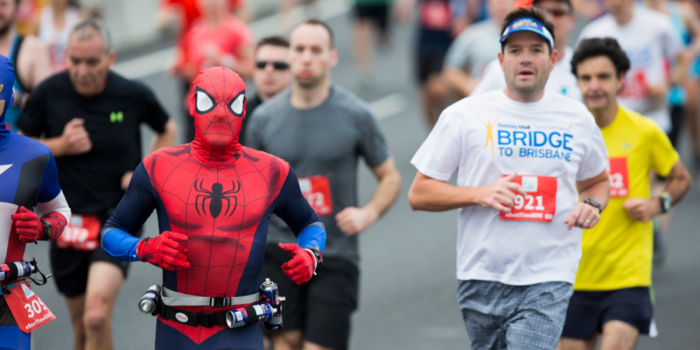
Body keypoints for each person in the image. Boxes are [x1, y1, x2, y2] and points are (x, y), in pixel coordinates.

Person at [408, 8, 610, 350]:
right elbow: (419, 193)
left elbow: (597, 181)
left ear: (554, 57)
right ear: (500, 60)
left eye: (536, 49)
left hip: (549, 273)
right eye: (515, 50)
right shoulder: (465, 115)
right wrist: (479, 194)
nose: (525, 58)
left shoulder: (576, 117)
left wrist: (592, 204)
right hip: (481, 274)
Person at [101, 66, 326, 350]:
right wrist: (144, 248)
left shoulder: (273, 171)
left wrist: (311, 254)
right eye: (209, 102)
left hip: (241, 326)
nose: (220, 114)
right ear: (193, 105)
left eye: (231, 104)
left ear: (243, 109)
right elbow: (111, 231)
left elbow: (310, 224)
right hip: (177, 327)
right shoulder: (158, 167)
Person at [16, 19, 177, 350]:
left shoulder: (132, 94)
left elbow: (168, 129)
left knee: (96, 316)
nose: (82, 70)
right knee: (80, 329)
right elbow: (21, 142)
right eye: (75, 60)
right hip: (65, 219)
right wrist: (60, 145)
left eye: (92, 61)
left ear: (110, 58)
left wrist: (144, 171)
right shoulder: (49, 93)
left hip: (116, 217)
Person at [247, 19, 402, 350]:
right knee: (284, 343)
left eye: (315, 50)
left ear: (331, 57)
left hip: (334, 253)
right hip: (277, 250)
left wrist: (368, 213)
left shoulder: (356, 115)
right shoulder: (263, 120)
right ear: (290, 56)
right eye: (299, 49)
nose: (306, 57)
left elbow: (390, 176)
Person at [560, 37, 692, 350]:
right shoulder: (565, 134)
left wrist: (657, 204)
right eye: (586, 78)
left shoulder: (643, 130)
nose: (594, 86)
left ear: (621, 80)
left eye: (603, 77)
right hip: (571, 276)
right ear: (576, 81)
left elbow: (680, 178)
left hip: (628, 276)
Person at [0, 54, 71, 350]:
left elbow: (60, 212)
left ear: (10, 94)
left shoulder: (34, 156)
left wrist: (42, 228)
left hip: (8, 296)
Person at [578, 0, 682, 135]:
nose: (616, 4)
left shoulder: (659, 25)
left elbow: (682, 58)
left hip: (653, 118)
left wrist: (667, 84)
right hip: (613, 123)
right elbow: (580, 72)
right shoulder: (593, 32)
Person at [172, 0, 254, 143]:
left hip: (226, 108)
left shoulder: (237, 29)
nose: (211, 3)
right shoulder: (195, 31)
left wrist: (223, 60)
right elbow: (191, 69)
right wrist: (179, 69)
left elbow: (251, 68)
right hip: (197, 107)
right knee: (194, 159)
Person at [472, 0, 581, 100]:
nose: (549, 18)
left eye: (557, 12)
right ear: (501, 60)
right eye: (542, 11)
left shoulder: (583, 67)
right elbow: (475, 109)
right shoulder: (498, 70)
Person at [394, 0, 469, 128]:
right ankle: (432, 129)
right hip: (425, 41)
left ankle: (450, 127)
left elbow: (465, 12)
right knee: (424, 90)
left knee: (441, 89)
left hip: (446, 43)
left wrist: (462, 17)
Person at [442, 0, 514, 98]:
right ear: (488, 5)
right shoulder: (472, 34)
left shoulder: (526, 36)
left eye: (504, 1)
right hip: (480, 100)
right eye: (496, 2)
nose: (500, 5)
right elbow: (450, 70)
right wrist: (468, 85)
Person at [0, 0, 51, 131]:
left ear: (17, 8)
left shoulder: (32, 49)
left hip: (18, 146)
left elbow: (50, 104)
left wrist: (18, 99)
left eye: (3, 4)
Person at [241, 35, 292, 146]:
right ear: (253, 69)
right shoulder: (238, 117)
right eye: (261, 65)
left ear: (292, 71)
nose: (269, 70)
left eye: (278, 65)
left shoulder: (303, 112)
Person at [351, 0, 393, 93]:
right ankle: (364, 73)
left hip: (382, 3)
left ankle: (381, 33)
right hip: (363, 3)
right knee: (361, 34)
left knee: (384, 40)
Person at [37, 0, 86, 73]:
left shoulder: (79, 16)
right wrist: (44, 49)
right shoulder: (39, 17)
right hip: (46, 71)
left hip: (71, 71)